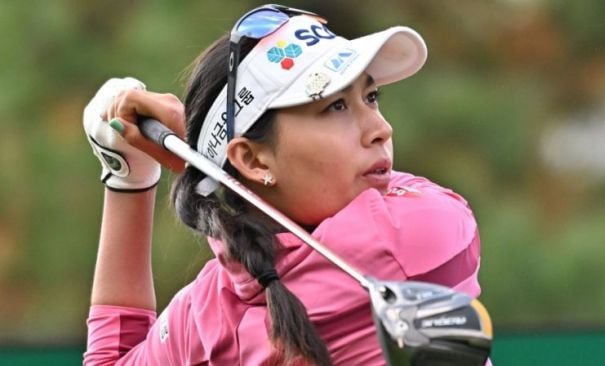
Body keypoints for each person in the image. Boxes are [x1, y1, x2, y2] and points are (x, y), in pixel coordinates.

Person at [82, 4, 485, 365]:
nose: (381, 129)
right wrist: (201, 153)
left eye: (372, 96)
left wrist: (128, 179)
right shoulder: (414, 233)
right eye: (337, 106)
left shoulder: (208, 314)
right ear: (254, 159)